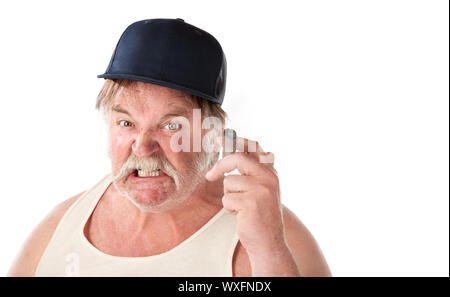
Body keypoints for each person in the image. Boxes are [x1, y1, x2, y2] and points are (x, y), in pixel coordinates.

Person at [8, 18, 331, 277]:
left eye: (171, 125)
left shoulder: (271, 234)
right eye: (126, 123)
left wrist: (269, 250)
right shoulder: (63, 226)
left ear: (212, 134)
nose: (144, 147)